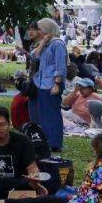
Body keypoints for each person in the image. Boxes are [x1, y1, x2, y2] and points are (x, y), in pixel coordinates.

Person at [0, 107, 44, 200]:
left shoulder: (23, 140)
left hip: (17, 181)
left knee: (33, 183)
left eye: (2, 124)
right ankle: (15, 197)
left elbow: (32, 168)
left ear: (9, 123)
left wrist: (34, 176)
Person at [32, 18, 67, 152]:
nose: (39, 32)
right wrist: (42, 42)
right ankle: (47, 140)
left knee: (52, 114)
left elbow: (60, 66)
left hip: (52, 84)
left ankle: (55, 143)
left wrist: (57, 84)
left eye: (40, 29)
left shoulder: (57, 44)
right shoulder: (46, 44)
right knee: (45, 115)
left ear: (47, 29)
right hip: (42, 84)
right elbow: (35, 57)